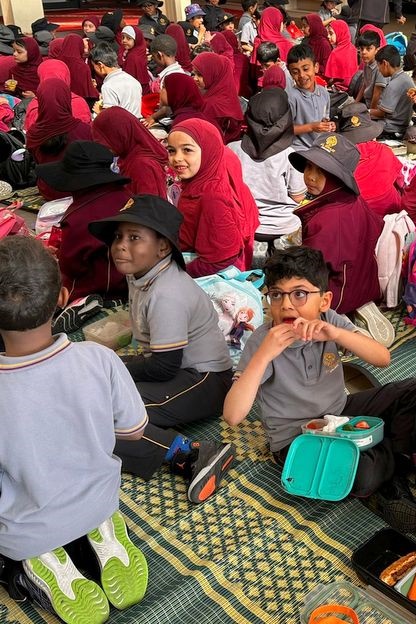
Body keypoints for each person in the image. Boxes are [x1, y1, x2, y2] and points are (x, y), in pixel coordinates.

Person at [224, 246, 416, 531]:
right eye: (276, 295)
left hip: (339, 412)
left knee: (414, 390)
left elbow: (383, 358)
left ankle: (383, 458)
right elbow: (233, 415)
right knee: (363, 475)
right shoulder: (262, 341)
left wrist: (337, 333)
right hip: (297, 438)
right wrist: (263, 356)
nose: (286, 305)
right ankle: (390, 467)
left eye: (299, 293)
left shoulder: (329, 319)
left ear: (324, 301)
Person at [0, 237, 149, 624]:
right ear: (63, 297)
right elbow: (134, 431)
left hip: (27, 527)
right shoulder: (98, 358)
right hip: (100, 500)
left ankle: (42, 560)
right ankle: (103, 534)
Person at [88, 195, 236, 501]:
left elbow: (164, 367)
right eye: (117, 237)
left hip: (204, 380)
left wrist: (118, 367)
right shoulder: (142, 274)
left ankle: (193, 454)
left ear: (163, 247)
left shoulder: (167, 293)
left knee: (103, 416)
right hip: (177, 370)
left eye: (134, 238)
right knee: (92, 398)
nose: (120, 246)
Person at [289, 133, 386, 324]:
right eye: (309, 166)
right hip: (365, 282)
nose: (311, 177)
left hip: (338, 295)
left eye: (322, 171)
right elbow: (377, 226)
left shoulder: (327, 219)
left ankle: (339, 318)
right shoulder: (352, 199)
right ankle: (361, 302)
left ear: (337, 177)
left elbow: (310, 266)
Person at [36, 141, 132, 301]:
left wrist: (53, 257)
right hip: (130, 284)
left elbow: (70, 267)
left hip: (97, 294)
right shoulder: (125, 196)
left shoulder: (79, 218)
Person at [167, 118, 258, 277]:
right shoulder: (200, 180)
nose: (177, 158)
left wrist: (177, 274)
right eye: (171, 151)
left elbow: (220, 259)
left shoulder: (212, 196)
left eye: (187, 150)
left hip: (203, 277)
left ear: (209, 150)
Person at [230, 88, 306, 241]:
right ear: (285, 119)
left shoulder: (232, 149)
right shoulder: (290, 155)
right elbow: (298, 196)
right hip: (284, 227)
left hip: (245, 225)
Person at [26, 77, 95, 201]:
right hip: (79, 190)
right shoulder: (83, 129)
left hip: (49, 190)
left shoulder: (33, 133)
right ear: (67, 99)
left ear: (40, 101)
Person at [338, 101, 403, 218]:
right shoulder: (384, 150)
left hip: (356, 215)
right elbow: (400, 181)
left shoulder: (338, 157)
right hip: (391, 210)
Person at [93, 107, 168, 198]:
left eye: (105, 141)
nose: (102, 147)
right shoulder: (126, 156)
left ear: (120, 135)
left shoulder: (142, 166)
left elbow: (149, 204)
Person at [286, 43, 334, 151]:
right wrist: (311, 127)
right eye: (295, 72)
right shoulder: (291, 97)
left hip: (320, 145)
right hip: (299, 148)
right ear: (290, 74)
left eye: (306, 69)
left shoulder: (324, 93)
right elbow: (285, 130)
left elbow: (324, 118)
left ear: (316, 67)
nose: (302, 75)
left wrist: (327, 125)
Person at [192, 51, 244, 144]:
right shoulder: (226, 96)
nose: (195, 78)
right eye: (194, 74)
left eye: (200, 75)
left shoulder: (213, 105)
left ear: (213, 74)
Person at [371, 44, 415, 141]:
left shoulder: (394, 84)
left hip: (392, 127)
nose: (379, 70)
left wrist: (366, 111)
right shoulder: (406, 78)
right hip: (402, 122)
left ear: (385, 63)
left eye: (378, 66)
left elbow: (382, 113)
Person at [91, 44, 142, 118]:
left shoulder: (108, 86)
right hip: (136, 122)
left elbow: (111, 118)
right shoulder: (133, 81)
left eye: (94, 66)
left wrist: (99, 112)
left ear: (100, 65)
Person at [52, 33, 98, 105]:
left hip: (61, 100)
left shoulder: (57, 63)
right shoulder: (82, 67)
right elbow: (88, 92)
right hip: (80, 103)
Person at [351, 29, 385, 107]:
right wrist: (355, 103)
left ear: (377, 50)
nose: (363, 52)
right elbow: (365, 85)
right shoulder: (367, 64)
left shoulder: (380, 68)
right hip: (367, 103)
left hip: (378, 107)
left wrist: (370, 112)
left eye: (368, 49)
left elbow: (377, 95)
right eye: (361, 49)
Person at [324, 19, 358, 90]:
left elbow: (329, 78)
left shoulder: (336, 53)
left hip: (338, 88)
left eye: (331, 33)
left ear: (340, 33)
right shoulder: (353, 48)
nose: (328, 36)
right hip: (353, 86)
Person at [119, 26, 151, 96]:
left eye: (128, 38)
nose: (124, 40)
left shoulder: (133, 57)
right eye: (123, 37)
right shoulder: (132, 52)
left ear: (136, 40)